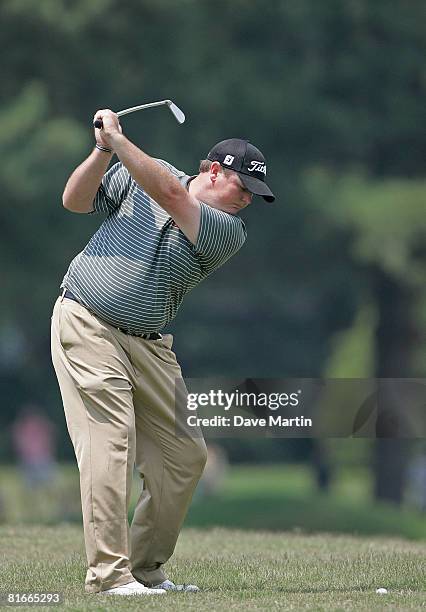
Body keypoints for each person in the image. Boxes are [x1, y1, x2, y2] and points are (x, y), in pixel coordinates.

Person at [51, 108, 275, 596]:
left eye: (253, 198)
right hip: (86, 323)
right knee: (110, 444)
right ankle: (110, 577)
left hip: (149, 345)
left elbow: (171, 195)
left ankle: (146, 568)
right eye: (243, 188)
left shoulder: (226, 231)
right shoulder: (141, 174)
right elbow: (75, 200)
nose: (245, 202)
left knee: (185, 455)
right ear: (213, 170)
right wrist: (102, 149)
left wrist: (120, 140)